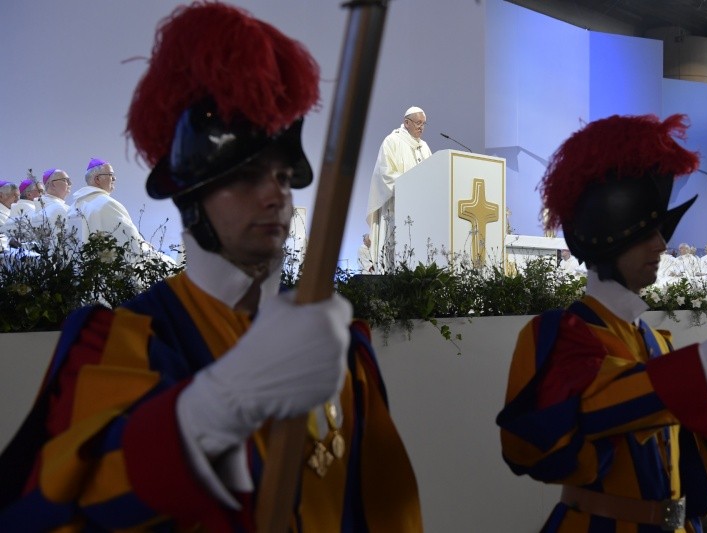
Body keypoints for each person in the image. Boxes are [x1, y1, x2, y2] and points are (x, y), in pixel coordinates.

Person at [0, 3, 421, 532]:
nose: (276, 196)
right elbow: (55, 507)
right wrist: (220, 404)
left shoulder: (340, 347)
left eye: (284, 176)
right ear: (191, 196)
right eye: (247, 176)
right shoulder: (119, 344)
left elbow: (386, 510)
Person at [496, 114, 707, 532]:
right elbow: (549, 434)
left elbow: (686, 466)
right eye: (647, 233)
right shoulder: (557, 335)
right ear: (610, 240)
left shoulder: (656, 343)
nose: (662, 245)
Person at [67, 158, 175, 264]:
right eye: (110, 175)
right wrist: (146, 246)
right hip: (112, 269)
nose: (114, 179)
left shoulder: (73, 207)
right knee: (170, 263)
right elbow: (131, 242)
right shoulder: (106, 204)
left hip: (84, 269)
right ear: (97, 179)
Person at [366, 106, 432, 271]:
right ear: (406, 122)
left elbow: (433, 174)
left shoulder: (424, 147)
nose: (421, 127)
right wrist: (411, 186)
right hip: (396, 207)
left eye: (424, 123)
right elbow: (385, 174)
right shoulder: (392, 141)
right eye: (418, 123)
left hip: (421, 209)